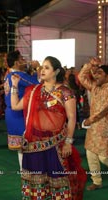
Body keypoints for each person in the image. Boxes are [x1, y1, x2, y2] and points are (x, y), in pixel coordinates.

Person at [10, 56, 87, 199]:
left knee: (58, 181)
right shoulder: (34, 91)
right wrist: (14, 86)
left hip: (56, 145)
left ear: (56, 71)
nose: (42, 70)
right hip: (33, 144)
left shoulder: (65, 92)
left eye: (46, 67)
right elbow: (15, 106)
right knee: (36, 182)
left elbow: (72, 118)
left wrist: (69, 142)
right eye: (41, 67)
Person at [78, 58, 108, 191]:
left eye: (99, 73)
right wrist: (90, 65)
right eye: (96, 73)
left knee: (105, 157)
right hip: (94, 128)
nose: (96, 75)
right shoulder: (95, 87)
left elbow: (104, 109)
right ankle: (97, 181)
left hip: (107, 127)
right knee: (90, 153)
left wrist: (88, 121)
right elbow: (81, 77)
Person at [3, 50, 39, 170]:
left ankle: (24, 171)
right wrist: (36, 68)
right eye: (22, 59)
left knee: (21, 147)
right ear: (17, 63)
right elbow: (37, 84)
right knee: (26, 144)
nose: (24, 61)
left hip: (11, 113)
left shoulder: (8, 75)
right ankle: (28, 172)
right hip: (19, 113)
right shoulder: (19, 75)